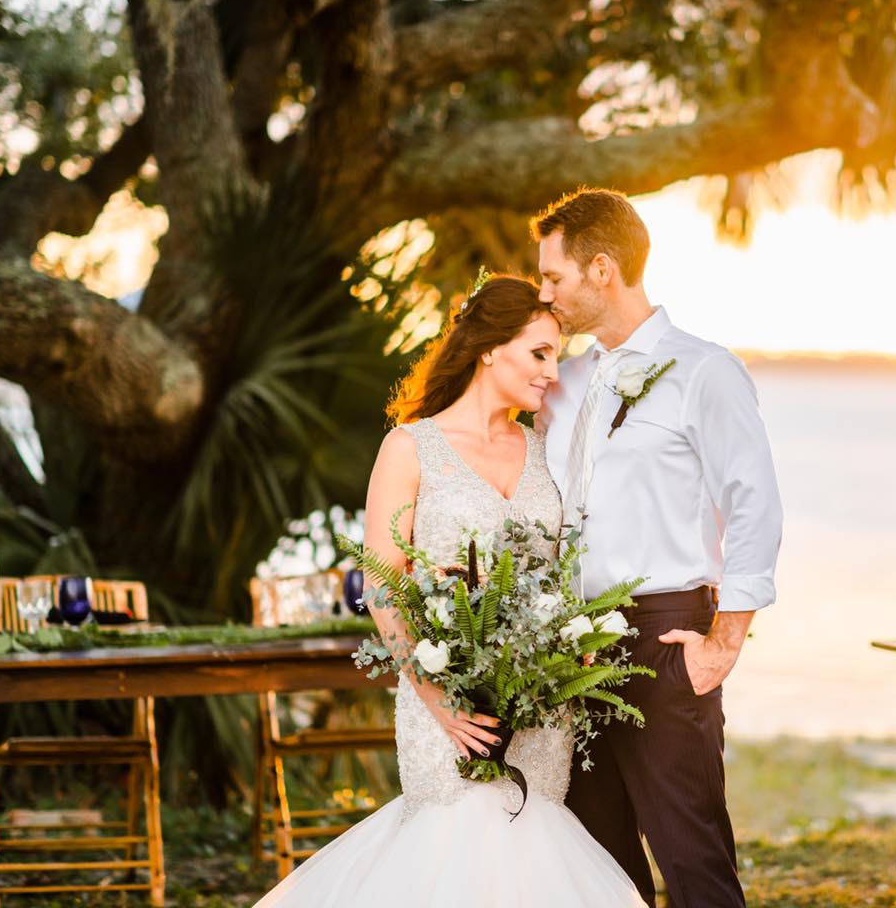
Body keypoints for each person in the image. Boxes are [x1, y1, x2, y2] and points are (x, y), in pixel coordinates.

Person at [254, 276, 642, 907]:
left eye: (558, 354)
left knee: (534, 857)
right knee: (455, 851)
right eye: (539, 353)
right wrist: (437, 698)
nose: (552, 372)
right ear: (490, 348)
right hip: (444, 706)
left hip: (540, 709)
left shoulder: (551, 452)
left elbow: (572, 565)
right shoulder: (411, 447)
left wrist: (577, 645)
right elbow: (384, 588)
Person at [533, 188, 784, 908]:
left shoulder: (704, 370)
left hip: (662, 637)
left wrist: (721, 643)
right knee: (599, 867)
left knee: (693, 860)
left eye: (555, 278)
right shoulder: (568, 378)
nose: (545, 294)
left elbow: (754, 504)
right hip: (568, 649)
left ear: (602, 269)